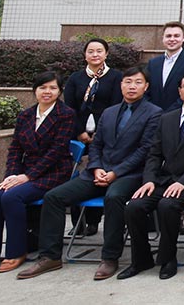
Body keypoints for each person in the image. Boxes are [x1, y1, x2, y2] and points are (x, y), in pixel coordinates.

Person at [19, 67, 163, 281]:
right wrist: (96, 168)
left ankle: (110, 257)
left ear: (146, 86)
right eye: (127, 82)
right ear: (121, 85)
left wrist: (115, 173)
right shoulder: (109, 111)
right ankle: (50, 256)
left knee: (114, 198)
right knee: (54, 197)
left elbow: (145, 150)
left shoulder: (154, 113)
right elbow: (96, 145)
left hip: (130, 175)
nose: (132, 86)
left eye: (138, 82)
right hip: (97, 171)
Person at [0, 72, 75, 275]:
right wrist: (11, 174)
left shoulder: (66, 114)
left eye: (53, 88)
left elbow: (57, 151)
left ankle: (16, 251)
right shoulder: (25, 115)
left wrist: (28, 176)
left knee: (12, 197)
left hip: (54, 173)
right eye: (43, 87)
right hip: (25, 173)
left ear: (60, 91)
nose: (47, 92)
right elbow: (15, 149)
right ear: (35, 90)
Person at [121, 73, 184, 280]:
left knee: (167, 205)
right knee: (134, 206)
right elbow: (154, 154)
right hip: (163, 180)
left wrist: (183, 182)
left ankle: (168, 259)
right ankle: (141, 259)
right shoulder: (167, 118)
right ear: (179, 90)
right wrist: (148, 179)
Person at [61, 37, 122, 236]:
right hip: (77, 135)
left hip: (105, 135)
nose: (95, 55)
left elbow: (115, 106)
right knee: (77, 175)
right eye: (90, 51)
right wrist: (79, 132)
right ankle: (77, 222)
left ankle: (94, 221)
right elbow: (69, 107)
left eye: (99, 51)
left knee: (99, 173)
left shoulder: (115, 77)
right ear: (85, 54)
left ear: (106, 54)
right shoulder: (75, 78)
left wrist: (99, 134)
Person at [147, 22, 184, 110]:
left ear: (183, 38)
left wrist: (169, 114)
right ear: (162, 38)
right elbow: (147, 90)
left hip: (177, 114)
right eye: (168, 36)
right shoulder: (153, 63)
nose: (172, 39)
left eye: (176, 36)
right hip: (152, 115)